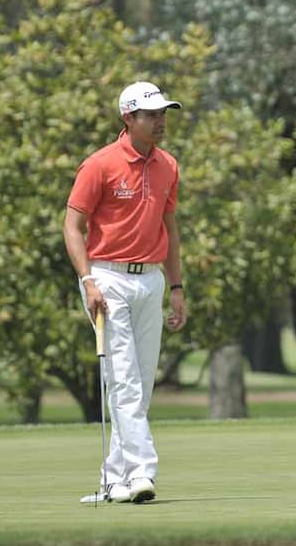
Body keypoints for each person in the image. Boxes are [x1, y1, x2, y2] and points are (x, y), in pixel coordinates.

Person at [63, 81, 187, 503]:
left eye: (163, 113)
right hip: (107, 279)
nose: (161, 121)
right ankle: (141, 472)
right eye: (152, 114)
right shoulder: (99, 165)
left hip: (150, 279)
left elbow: (170, 229)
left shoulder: (168, 165)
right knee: (125, 381)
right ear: (129, 118)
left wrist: (177, 287)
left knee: (141, 385)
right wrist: (87, 280)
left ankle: (113, 479)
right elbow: (72, 227)